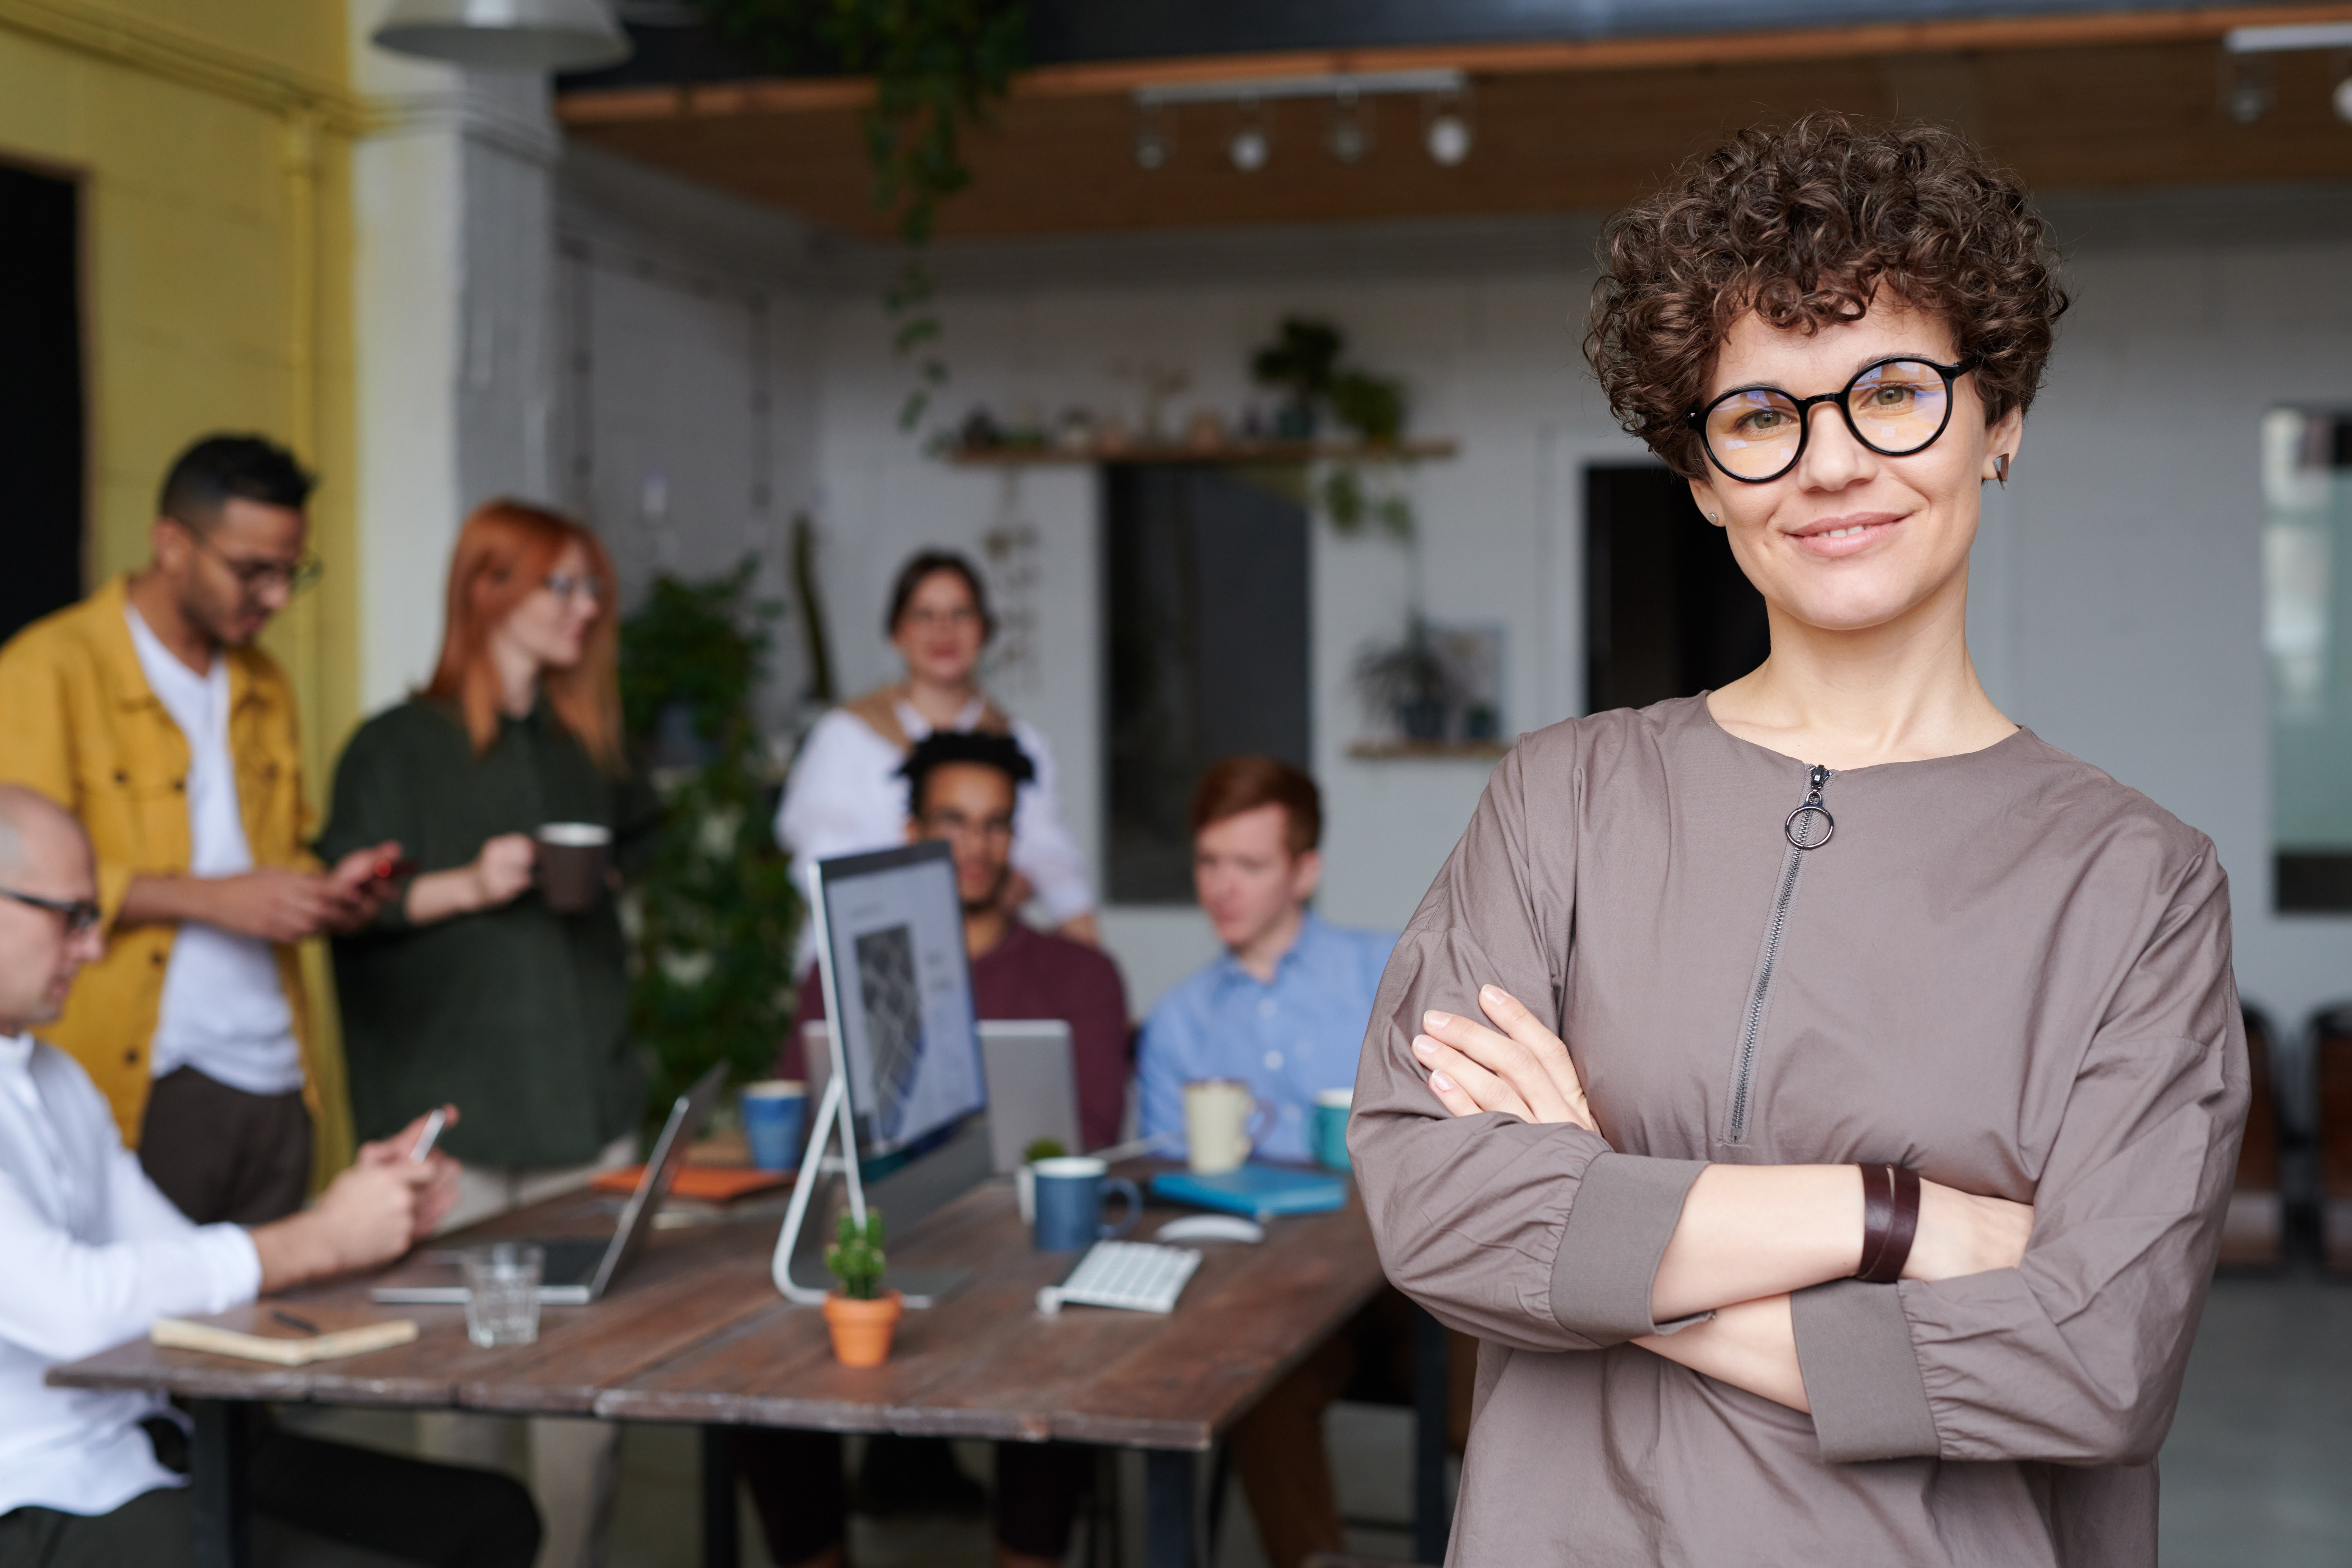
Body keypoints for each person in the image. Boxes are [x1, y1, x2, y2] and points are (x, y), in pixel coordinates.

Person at [1352, 114, 2246, 1567]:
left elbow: (2093, 1358)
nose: (1830, 464)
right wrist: (1894, 1221)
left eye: (1890, 390)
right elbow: (1442, 1214)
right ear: (1703, 473)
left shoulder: (2135, 883)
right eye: (1762, 414)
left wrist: (1603, 1223)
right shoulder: (1558, 801)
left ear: (1997, 417)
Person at [0, 784, 541, 1568]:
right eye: (72, 916)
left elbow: (185, 1257)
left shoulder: (56, 1076)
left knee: (491, 1516)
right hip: (37, 1494)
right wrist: (321, 1237)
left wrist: (355, 1214)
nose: (93, 944)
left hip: (155, 1447)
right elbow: (75, 1309)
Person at [314, 500, 658, 1568]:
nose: (586, 608)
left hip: (584, 1108)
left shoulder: (581, 747)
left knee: (582, 1412)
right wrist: (462, 885)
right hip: (454, 1117)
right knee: (459, 1407)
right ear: (486, 589)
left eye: (593, 588)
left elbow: (618, 884)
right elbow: (342, 909)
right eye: (562, 584)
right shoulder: (394, 747)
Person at [740, 729, 1131, 1568]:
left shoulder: (1080, 974)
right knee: (763, 1362)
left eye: (995, 823)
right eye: (953, 821)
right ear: (912, 834)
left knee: (1058, 1347)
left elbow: (1094, 1131)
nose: (976, 844)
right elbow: (810, 1125)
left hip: (1021, 1246)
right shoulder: (839, 971)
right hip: (881, 1234)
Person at [0, 434, 399, 1227]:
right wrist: (218, 901)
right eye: (254, 570)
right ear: (172, 545)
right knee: (153, 1333)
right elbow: (22, 883)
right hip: (148, 1075)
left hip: (279, 1072)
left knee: (275, 1323)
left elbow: (273, 852)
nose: (279, 596)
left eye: (293, 571)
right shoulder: (48, 668)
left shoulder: (265, 682)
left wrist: (323, 894)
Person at [1134, 757, 1463, 1568]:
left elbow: (1457, 1120)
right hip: (1279, 1296)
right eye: (1209, 862)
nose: (1223, 886)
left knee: (1488, 1313)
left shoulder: (1385, 969)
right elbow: (1163, 1185)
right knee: (1251, 1367)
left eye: (1249, 864)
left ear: (1304, 870)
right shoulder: (1178, 1022)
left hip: (1404, 1282)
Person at [777, 550, 1096, 948]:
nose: (943, 630)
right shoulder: (846, 735)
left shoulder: (1017, 743)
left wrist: (1078, 927)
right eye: (924, 615)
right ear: (898, 633)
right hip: (862, 949)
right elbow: (821, 862)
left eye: (960, 614)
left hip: (980, 956)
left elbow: (1050, 856)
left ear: (984, 630)